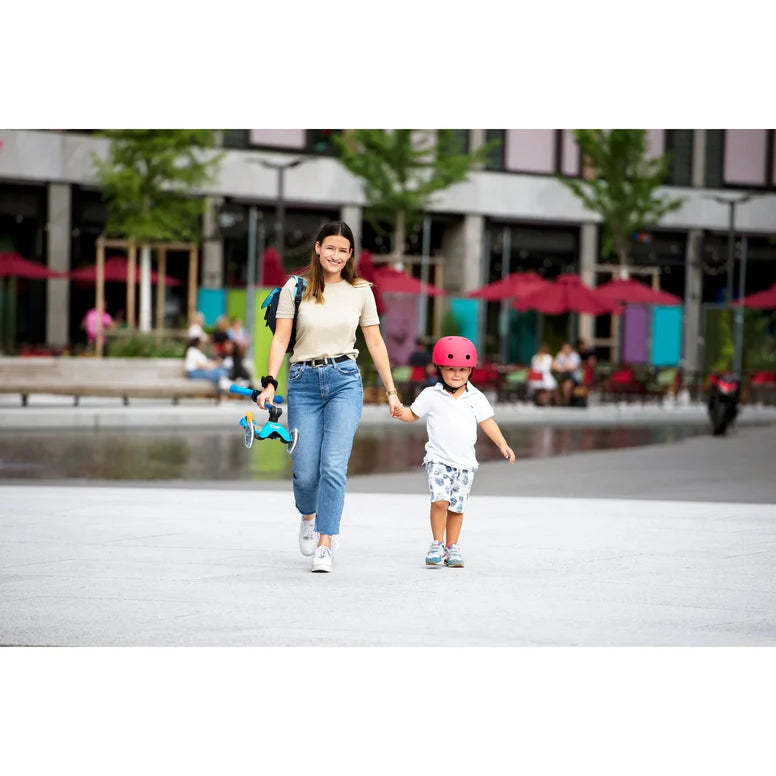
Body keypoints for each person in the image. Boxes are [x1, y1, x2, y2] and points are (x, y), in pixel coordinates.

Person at [255, 221, 402, 573]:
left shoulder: (361, 290)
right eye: (330, 248)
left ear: (350, 255)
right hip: (303, 381)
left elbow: (376, 343)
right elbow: (280, 339)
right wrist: (270, 383)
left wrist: (392, 392)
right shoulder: (296, 287)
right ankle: (308, 515)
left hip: (344, 382)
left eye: (343, 250)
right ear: (318, 248)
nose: (336, 255)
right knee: (305, 472)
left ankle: (326, 542)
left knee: (333, 466)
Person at [392, 336, 516, 568]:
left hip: (466, 464)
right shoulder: (431, 394)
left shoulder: (476, 397)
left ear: (470, 370)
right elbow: (413, 415)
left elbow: (488, 422)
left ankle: (453, 547)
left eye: (463, 369)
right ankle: (437, 543)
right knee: (440, 501)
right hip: (438, 460)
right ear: (439, 369)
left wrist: (502, 444)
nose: (457, 375)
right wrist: (400, 411)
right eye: (451, 369)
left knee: (457, 508)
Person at [184, 335, 230, 400]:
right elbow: (200, 365)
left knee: (220, 371)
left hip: (200, 371)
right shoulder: (192, 351)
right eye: (201, 343)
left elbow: (206, 363)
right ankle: (223, 388)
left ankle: (223, 389)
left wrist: (215, 363)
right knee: (218, 374)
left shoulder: (198, 352)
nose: (203, 344)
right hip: (194, 372)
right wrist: (212, 366)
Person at [553, 342, 581, 406]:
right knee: (552, 384)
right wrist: (561, 368)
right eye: (564, 348)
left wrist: (564, 360)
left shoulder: (575, 356)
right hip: (563, 376)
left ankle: (566, 403)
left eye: (567, 348)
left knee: (567, 385)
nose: (565, 350)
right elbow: (555, 366)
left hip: (574, 378)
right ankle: (559, 402)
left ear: (571, 349)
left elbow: (571, 368)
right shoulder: (560, 355)